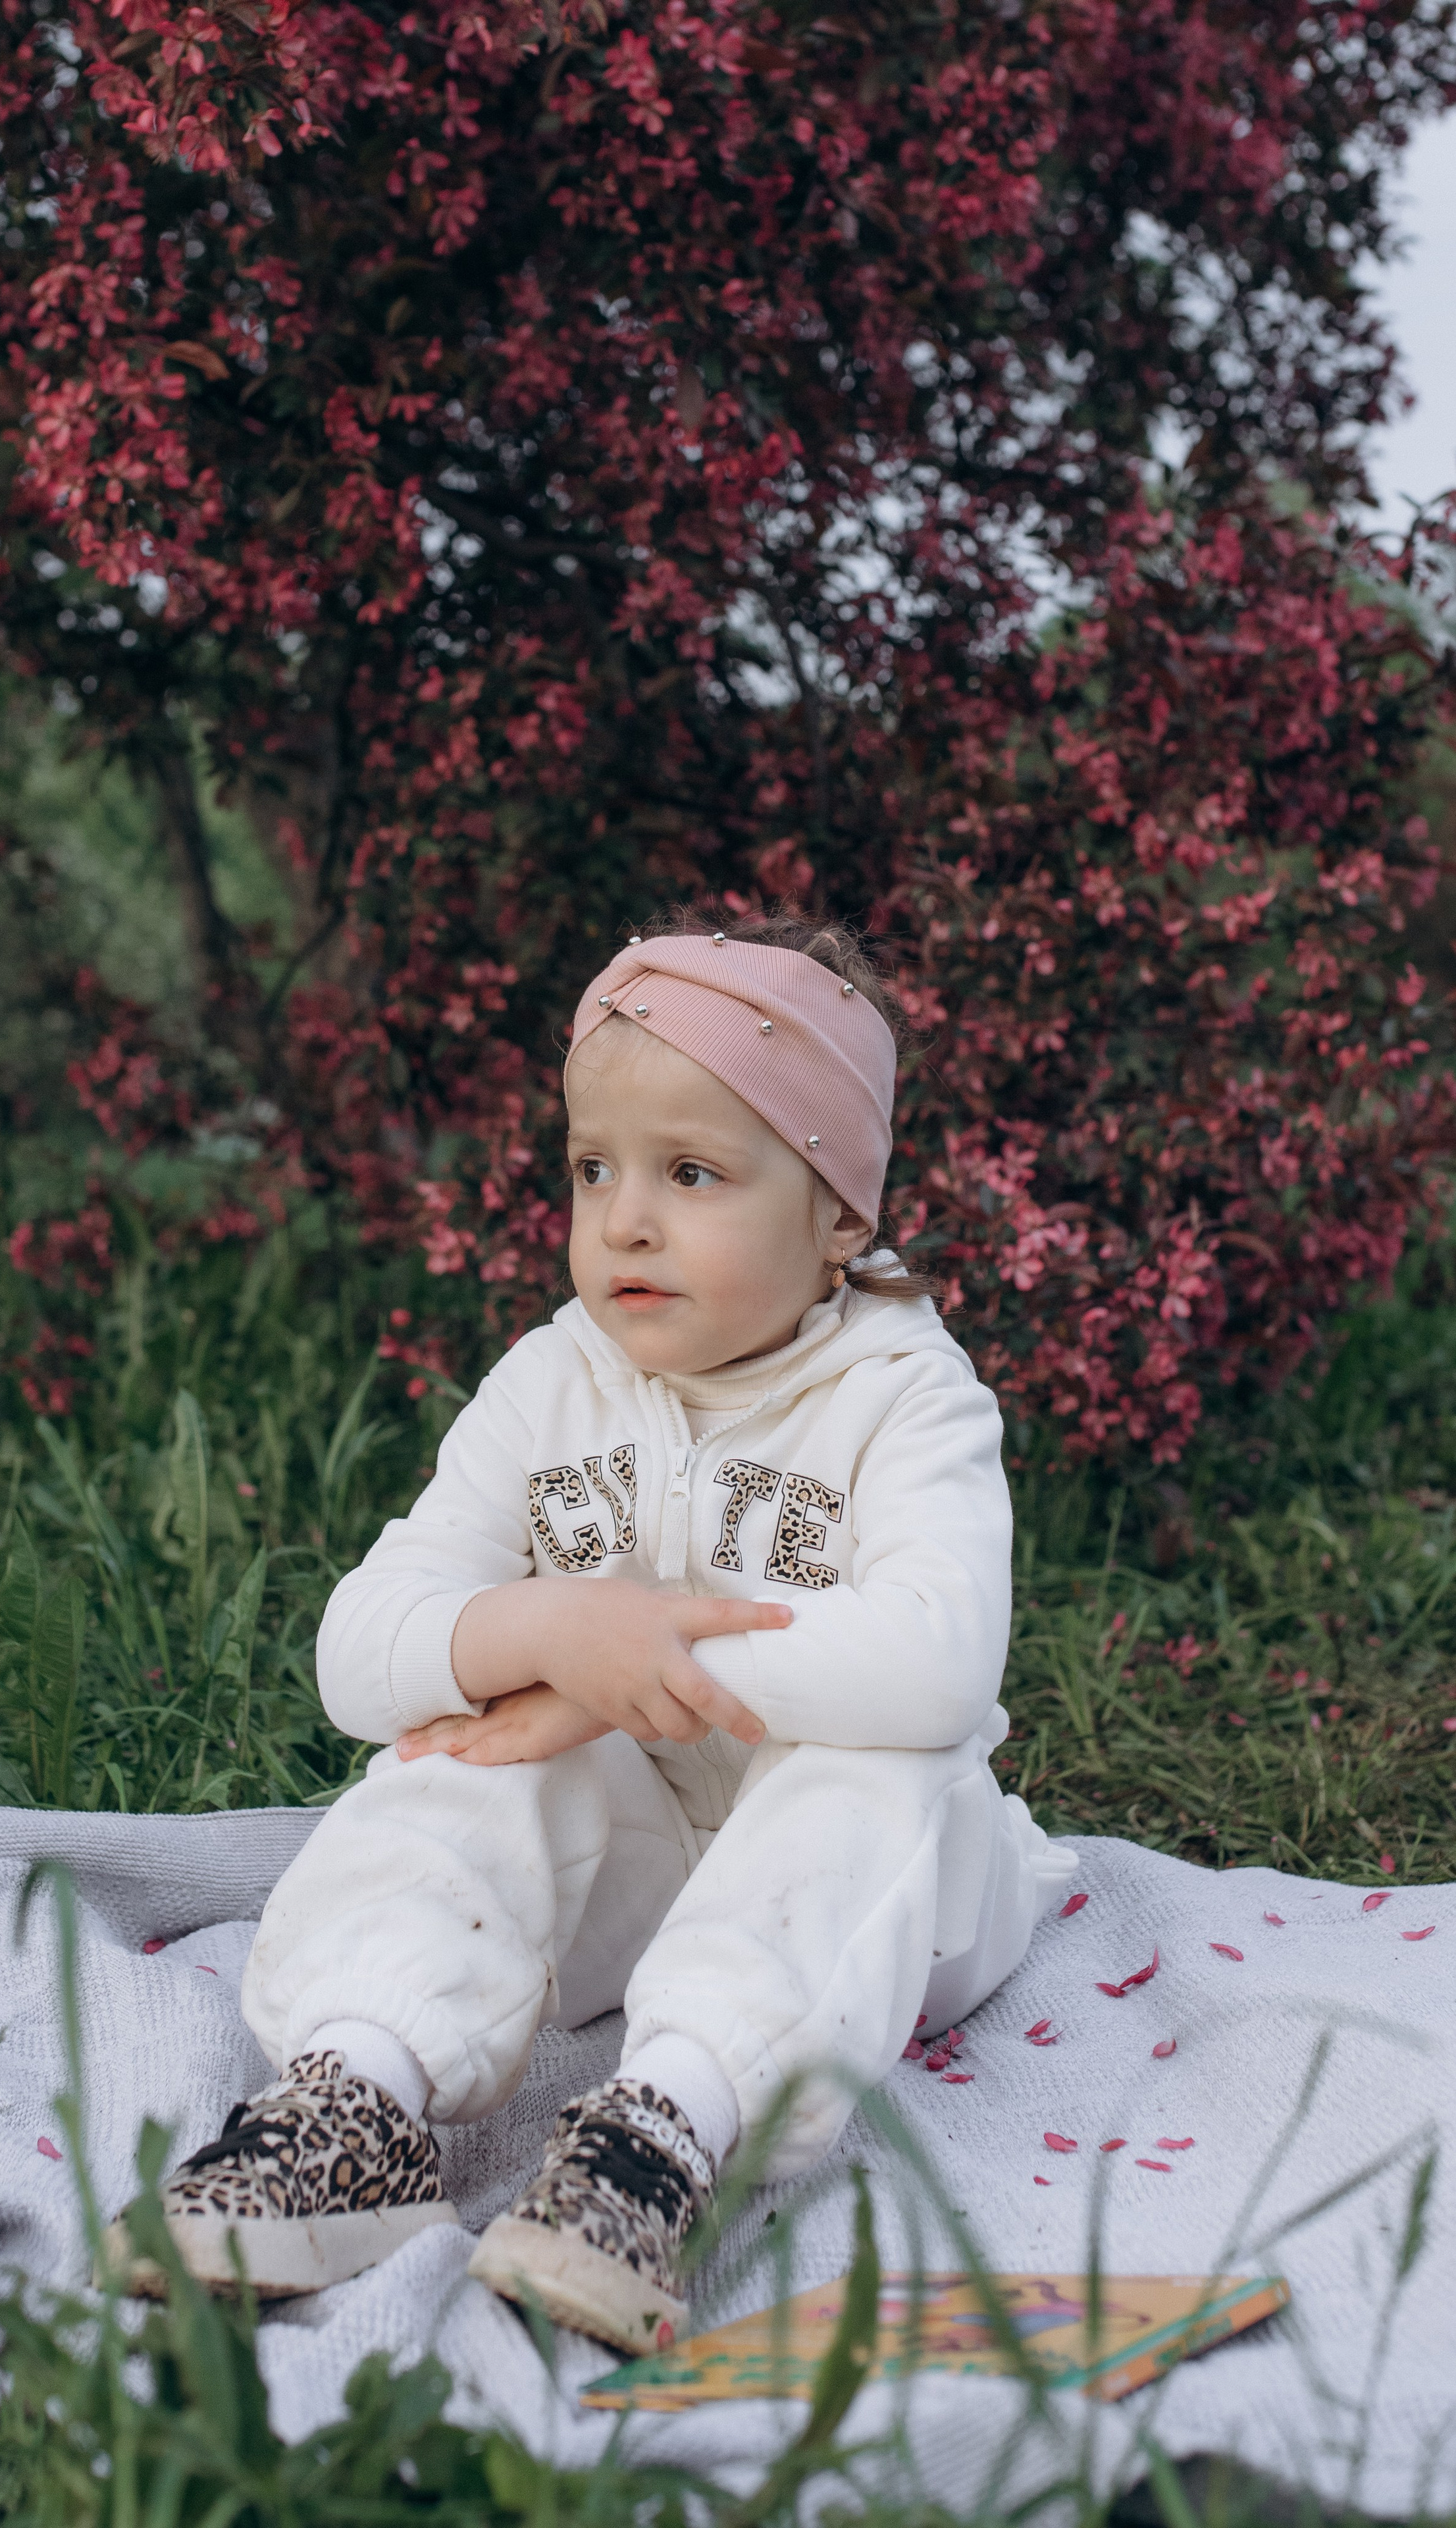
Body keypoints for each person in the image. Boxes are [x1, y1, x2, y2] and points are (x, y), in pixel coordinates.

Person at [103, 912, 1075, 2353]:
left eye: (690, 1174)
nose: (622, 1219)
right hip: (640, 1875)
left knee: (879, 1754)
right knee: (462, 1748)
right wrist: (558, 1631)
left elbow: (938, 1661)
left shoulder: (903, 1393)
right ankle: (359, 2095)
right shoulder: (552, 1382)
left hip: (885, 1898)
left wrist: (627, 1679)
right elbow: (359, 1650)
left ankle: (656, 2143)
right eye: (591, 1168)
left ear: (837, 1217)